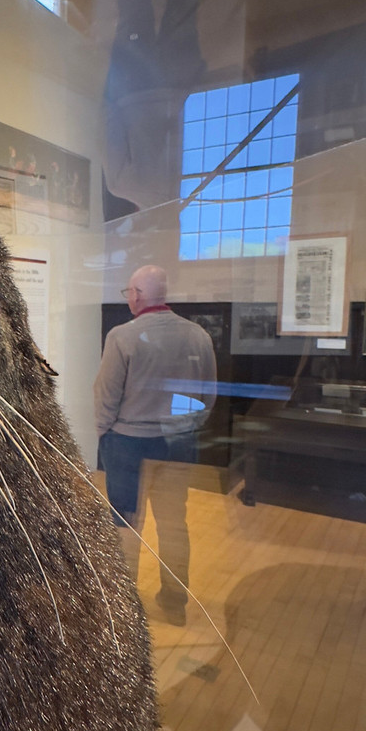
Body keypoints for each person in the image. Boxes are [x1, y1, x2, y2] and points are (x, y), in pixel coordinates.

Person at [94, 264, 217, 625]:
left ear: (138, 295)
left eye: (129, 292)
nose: (128, 299)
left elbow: (106, 397)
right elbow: (207, 396)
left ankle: (124, 609)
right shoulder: (198, 336)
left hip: (128, 443)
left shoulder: (122, 336)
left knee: (125, 523)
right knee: (174, 521)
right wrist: (186, 427)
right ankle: (175, 601)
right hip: (178, 442)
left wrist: (104, 435)